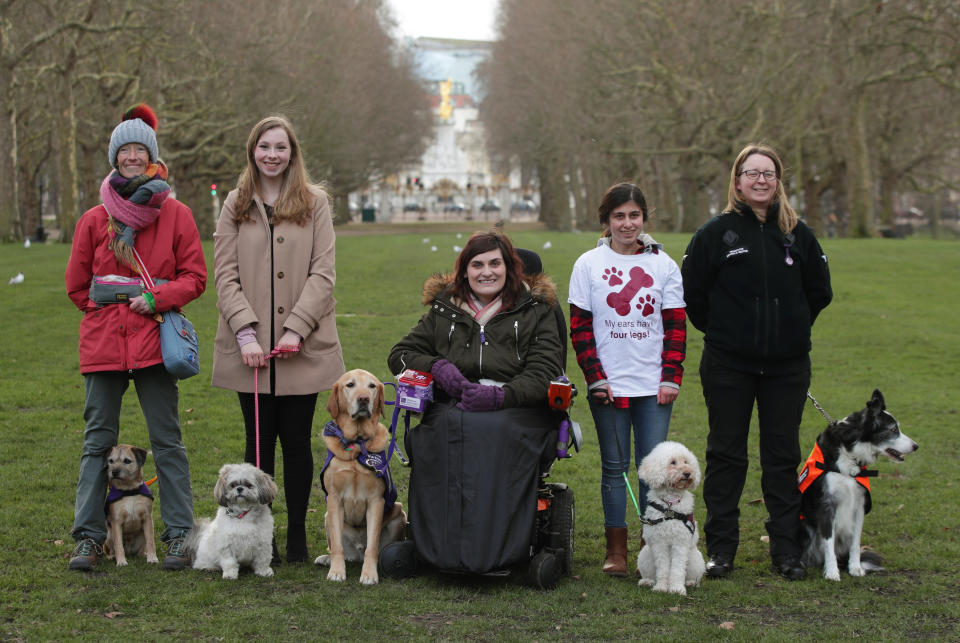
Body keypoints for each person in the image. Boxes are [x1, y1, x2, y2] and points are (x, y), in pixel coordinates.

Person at [65, 104, 207, 571]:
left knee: (167, 442)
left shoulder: (176, 214)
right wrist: (106, 303)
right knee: (95, 444)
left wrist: (157, 298)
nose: (130, 156)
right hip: (105, 346)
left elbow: (195, 277)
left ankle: (179, 535)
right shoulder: (93, 219)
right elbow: (75, 285)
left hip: (153, 344)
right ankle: (87, 537)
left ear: (151, 158)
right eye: (123, 150)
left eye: (138, 150)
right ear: (114, 157)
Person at [681, 143, 832, 581]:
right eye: (752, 172)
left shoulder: (798, 234)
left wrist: (790, 329)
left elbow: (820, 292)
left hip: (786, 367)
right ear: (737, 180)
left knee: (781, 457)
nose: (761, 180)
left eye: (769, 173)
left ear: (778, 181)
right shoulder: (716, 233)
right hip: (729, 364)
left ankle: (785, 551)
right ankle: (721, 550)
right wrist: (729, 331)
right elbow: (694, 295)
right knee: (726, 456)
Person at [387, 230, 564, 573]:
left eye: (495, 263)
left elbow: (545, 372)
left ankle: (494, 551)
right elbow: (400, 354)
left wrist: (500, 395)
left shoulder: (536, 309)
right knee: (435, 436)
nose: (487, 272)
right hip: (455, 402)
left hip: (518, 408)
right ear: (464, 270)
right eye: (477, 264)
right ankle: (437, 547)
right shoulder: (445, 309)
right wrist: (438, 367)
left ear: (509, 267)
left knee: (490, 433)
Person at [211, 115, 345, 563]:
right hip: (249, 350)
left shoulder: (314, 202)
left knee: (295, 442)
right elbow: (225, 274)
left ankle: (296, 539)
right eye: (265, 146)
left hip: (300, 347)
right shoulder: (236, 203)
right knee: (256, 444)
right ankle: (258, 539)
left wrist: (295, 328)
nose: (272, 155)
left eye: (281, 147)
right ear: (253, 150)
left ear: (292, 153)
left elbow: (323, 273)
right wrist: (245, 333)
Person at [567, 182, 686, 577]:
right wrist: (595, 378)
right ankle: (615, 550)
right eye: (619, 216)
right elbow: (581, 329)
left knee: (655, 471)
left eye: (634, 215)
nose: (627, 223)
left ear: (644, 219)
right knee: (614, 468)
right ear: (606, 220)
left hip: (654, 387)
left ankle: (649, 545)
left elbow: (675, 327)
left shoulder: (663, 266)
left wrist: (671, 377)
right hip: (610, 386)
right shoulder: (588, 265)